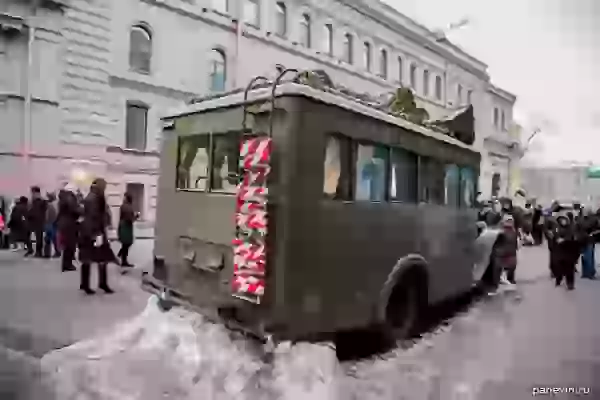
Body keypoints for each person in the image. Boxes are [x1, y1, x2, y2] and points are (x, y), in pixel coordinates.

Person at [78, 178, 115, 294]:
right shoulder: (96, 199)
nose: (105, 189)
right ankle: (102, 284)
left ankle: (85, 284)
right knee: (101, 259)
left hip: (87, 232)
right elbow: (94, 217)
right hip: (94, 233)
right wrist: (97, 233)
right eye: (104, 187)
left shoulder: (90, 197)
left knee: (87, 259)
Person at [552, 213, 580, 290]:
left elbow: (574, 237)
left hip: (569, 250)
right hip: (560, 251)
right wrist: (558, 239)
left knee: (570, 268)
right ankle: (558, 279)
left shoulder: (572, 228)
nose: (563, 221)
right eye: (561, 220)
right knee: (560, 267)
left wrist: (565, 240)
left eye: (564, 219)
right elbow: (555, 235)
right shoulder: (557, 227)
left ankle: (570, 283)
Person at [57, 186, 80, 272]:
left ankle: (66, 264)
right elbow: (74, 209)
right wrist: (82, 210)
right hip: (69, 224)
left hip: (65, 223)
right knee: (70, 245)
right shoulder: (69, 197)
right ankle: (67, 265)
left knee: (67, 245)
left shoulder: (63, 198)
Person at [117, 193, 139, 268]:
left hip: (123, 225)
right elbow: (130, 219)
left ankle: (123, 258)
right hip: (126, 227)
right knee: (127, 243)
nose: (123, 198)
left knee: (125, 243)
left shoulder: (124, 206)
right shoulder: (127, 207)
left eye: (125, 197)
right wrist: (136, 216)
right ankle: (123, 260)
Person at [497, 214, 519, 284]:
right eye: (508, 221)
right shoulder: (501, 231)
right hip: (504, 252)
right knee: (505, 266)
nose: (509, 222)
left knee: (512, 265)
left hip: (512, 251)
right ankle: (504, 278)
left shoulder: (514, 230)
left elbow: (515, 240)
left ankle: (510, 278)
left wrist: (516, 246)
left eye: (511, 221)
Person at [27, 186, 47, 258]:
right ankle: (37, 252)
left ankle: (39, 252)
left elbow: (36, 212)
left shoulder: (40, 201)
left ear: (36, 193)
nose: (32, 194)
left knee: (39, 237)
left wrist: (30, 214)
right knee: (38, 237)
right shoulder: (35, 201)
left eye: (32, 192)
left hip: (38, 221)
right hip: (35, 221)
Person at [579, 208, 598, 279]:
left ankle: (590, 273)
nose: (585, 212)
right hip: (581, 240)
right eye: (584, 211)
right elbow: (577, 228)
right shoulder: (580, 219)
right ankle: (585, 273)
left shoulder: (593, 219)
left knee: (589, 256)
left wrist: (592, 233)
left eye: (586, 211)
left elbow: (597, 229)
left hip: (590, 240)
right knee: (584, 257)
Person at [43, 192, 60, 258]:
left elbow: (50, 215)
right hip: (52, 223)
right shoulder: (55, 204)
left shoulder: (51, 205)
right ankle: (53, 252)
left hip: (51, 223)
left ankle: (48, 253)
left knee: (50, 238)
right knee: (52, 239)